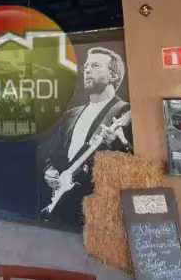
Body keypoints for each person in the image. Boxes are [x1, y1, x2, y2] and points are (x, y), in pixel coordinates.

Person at [40, 47, 133, 225]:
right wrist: (49, 170)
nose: (88, 70)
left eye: (96, 66)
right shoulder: (71, 114)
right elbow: (53, 154)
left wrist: (120, 145)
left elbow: (136, 162)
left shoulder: (125, 111)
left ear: (113, 76)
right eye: (86, 67)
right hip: (66, 205)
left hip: (101, 206)